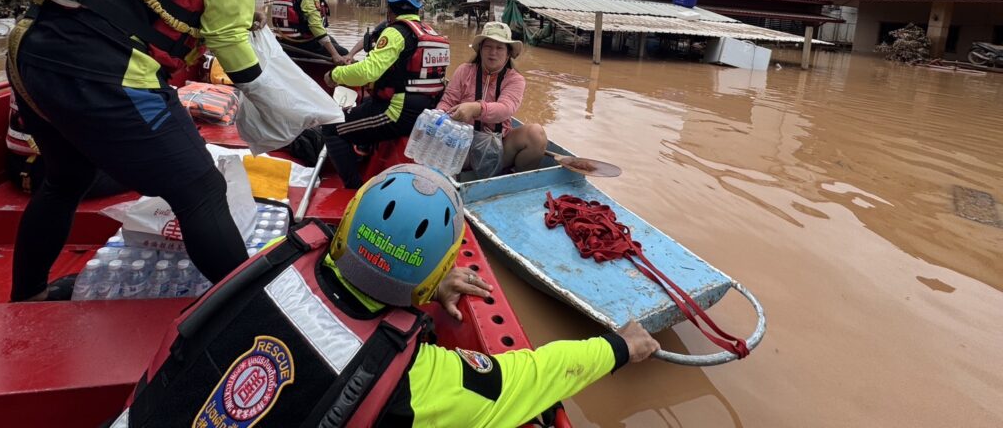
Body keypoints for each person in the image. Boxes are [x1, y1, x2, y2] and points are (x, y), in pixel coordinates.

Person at [6, 0, 318, 301]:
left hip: (31, 53)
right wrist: (279, 109)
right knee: (202, 189)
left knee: (66, 180)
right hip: (103, 68)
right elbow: (227, 38)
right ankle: (249, 311)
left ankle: (27, 296)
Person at [110, 163, 660, 427]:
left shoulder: (277, 261)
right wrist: (619, 347)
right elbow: (528, 377)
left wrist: (421, 284)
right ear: (438, 270)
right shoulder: (415, 374)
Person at [321, 0, 450, 188]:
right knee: (364, 106)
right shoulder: (431, 34)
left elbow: (367, 72)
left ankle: (354, 188)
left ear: (389, 6)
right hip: (425, 110)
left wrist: (335, 75)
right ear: (418, 7)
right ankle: (364, 151)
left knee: (330, 127)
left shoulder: (395, 32)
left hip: (397, 112)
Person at [438, 20, 548, 176]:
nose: (493, 52)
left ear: (508, 53)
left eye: (499, 48)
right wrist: (439, 116)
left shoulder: (515, 79)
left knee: (536, 134)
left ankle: (517, 181)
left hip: (500, 147)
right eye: (488, 46)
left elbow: (505, 109)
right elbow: (447, 101)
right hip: (463, 144)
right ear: (480, 50)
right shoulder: (464, 71)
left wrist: (476, 108)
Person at [269, 0, 348, 62]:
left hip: (286, 41)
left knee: (331, 40)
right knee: (344, 53)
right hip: (302, 44)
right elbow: (315, 26)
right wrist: (335, 55)